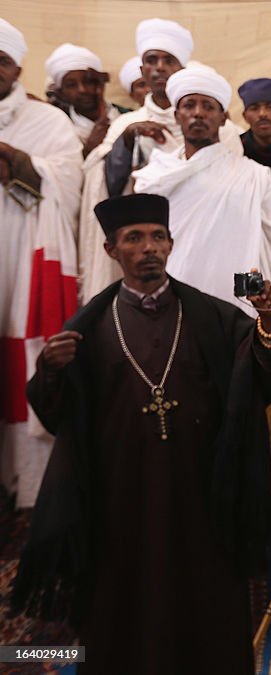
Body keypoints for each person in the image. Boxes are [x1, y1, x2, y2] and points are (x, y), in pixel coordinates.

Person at [11, 192, 271, 674]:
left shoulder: (213, 315)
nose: (148, 247)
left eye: (157, 237)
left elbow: (268, 375)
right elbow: (60, 417)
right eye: (134, 238)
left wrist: (269, 324)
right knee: (121, 610)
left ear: (171, 243)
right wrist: (52, 371)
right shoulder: (90, 327)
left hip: (203, 495)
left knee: (207, 607)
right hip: (120, 499)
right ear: (111, 251)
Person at [78, 17, 243, 303]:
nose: (159, 68)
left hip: (203, 236)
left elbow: (233, 183)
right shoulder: (126, 124)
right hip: (143, 246)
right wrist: (126, 143)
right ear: (142, 69)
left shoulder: (220, 128)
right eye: (152, 60)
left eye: (168, 60)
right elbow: (99, 183)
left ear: (181, 68)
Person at [131, 65, 271, 328]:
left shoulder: (255, 177)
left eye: (208, 106)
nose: (198, 113)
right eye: (189, 105)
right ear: (177, 115)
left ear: (223, 118)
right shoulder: (154, 179)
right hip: (169, 306)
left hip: (236, 312)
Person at [0, 18, 83, 510]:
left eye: (2, 61)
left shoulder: (48, 122)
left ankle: (26, 492)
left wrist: (14, 157)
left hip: (24, 253)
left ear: (18, 68)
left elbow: (67, 187)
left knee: (20, 360)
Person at [44, 43, 122, 157]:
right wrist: (88, 149)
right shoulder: (58, 129)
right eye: (71, 85)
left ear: (99, 83)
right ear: (62, 93)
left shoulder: (126, 116)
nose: (82, 90)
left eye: (88, 81)